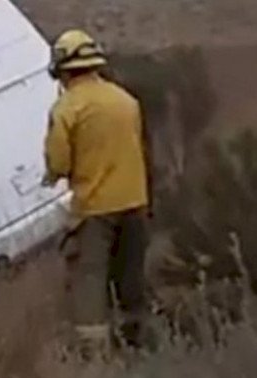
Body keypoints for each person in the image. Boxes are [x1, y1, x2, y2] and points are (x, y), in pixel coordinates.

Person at [41, 29, 155, 360]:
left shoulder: (66, 109)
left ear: (62, 70)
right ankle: (139, 348)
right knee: (131, 279)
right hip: (136, 201)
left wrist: (54, 173)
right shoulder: (125, 100)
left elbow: (59, 163)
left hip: (95, 208)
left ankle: (96, 360)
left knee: (90, 281)